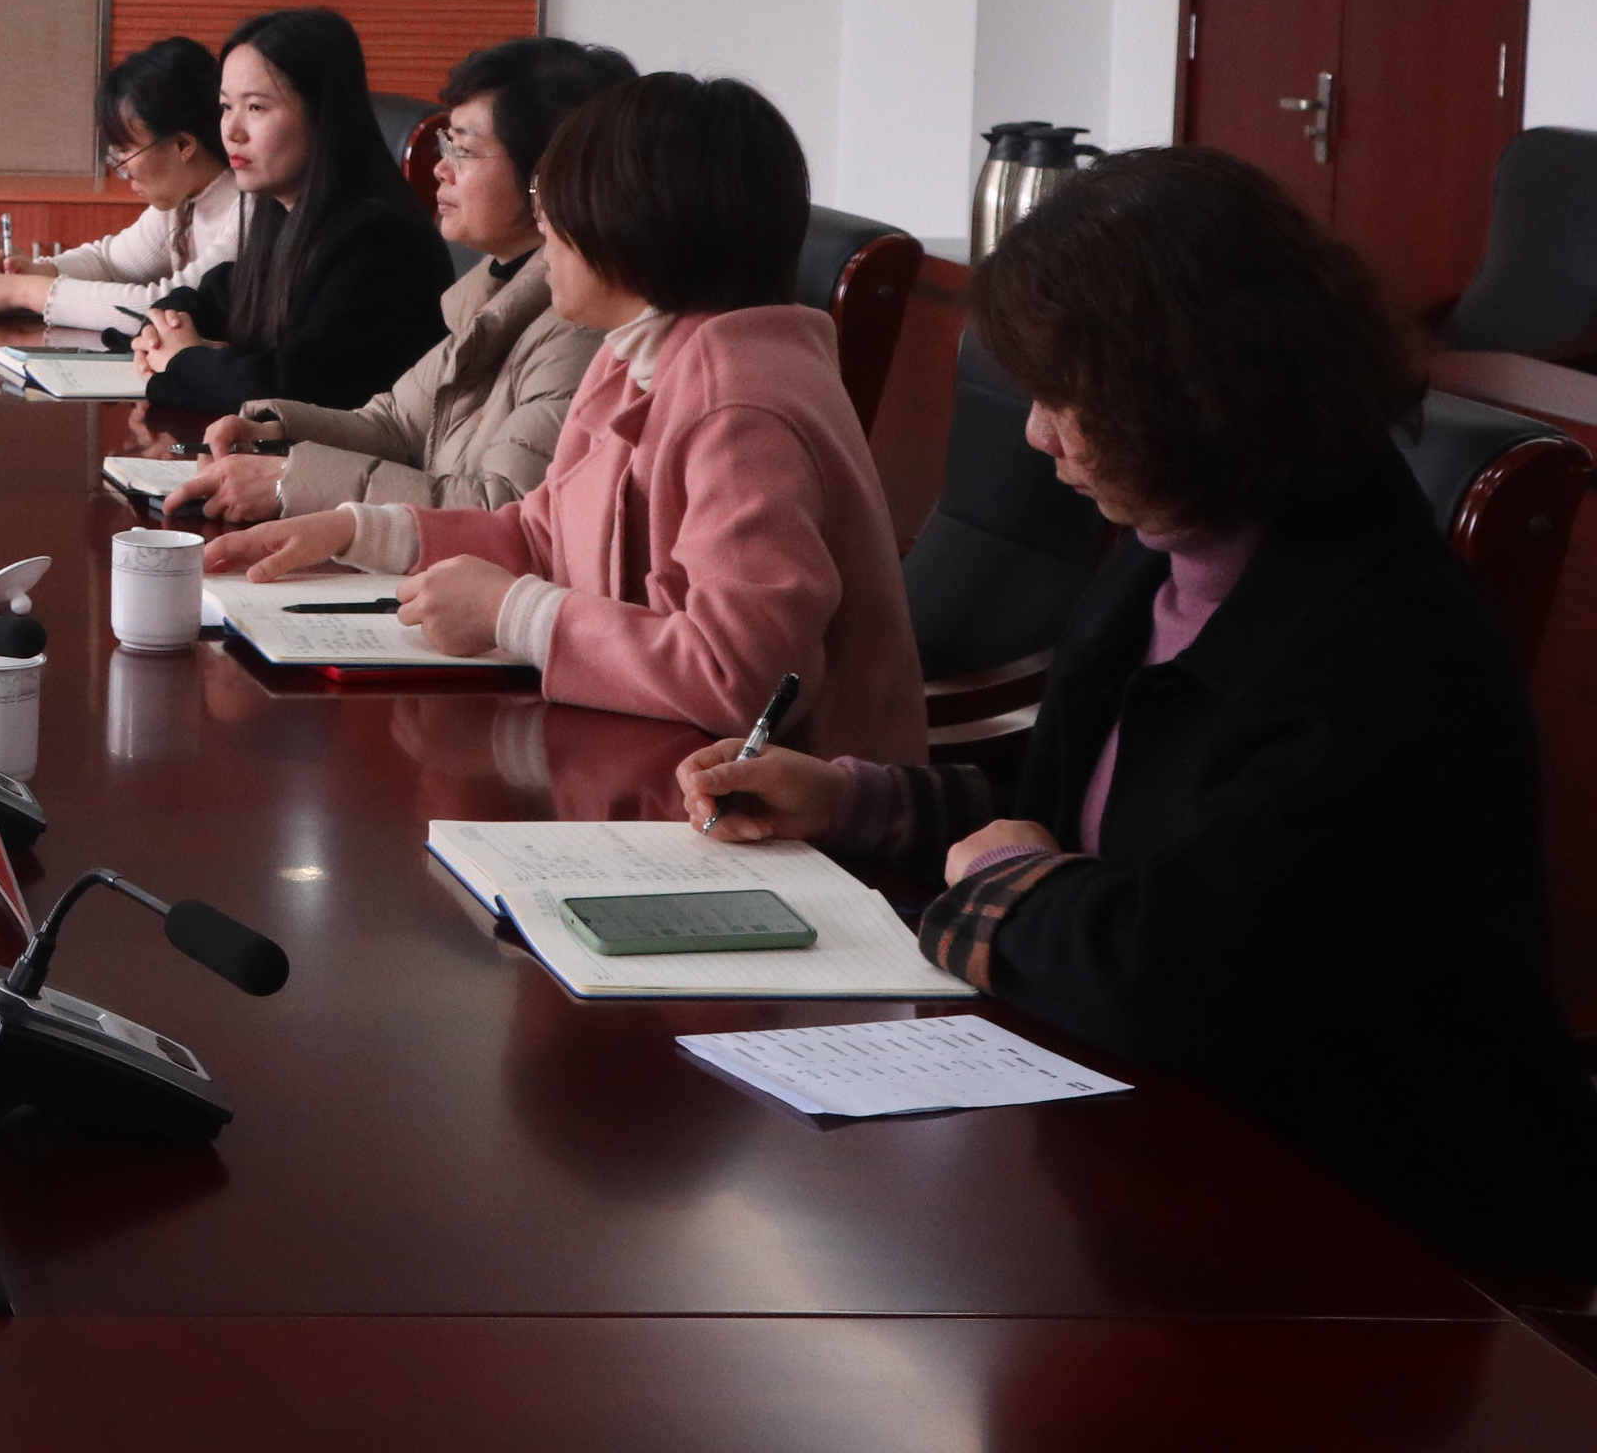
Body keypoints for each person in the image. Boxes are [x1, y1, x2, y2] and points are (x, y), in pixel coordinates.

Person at [681, 146, 1597, 1278]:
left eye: (1063, 400)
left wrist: (1001, 886)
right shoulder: (1174, 557)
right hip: (1165, 1144)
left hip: (1373, 1232)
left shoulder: (1381, 645)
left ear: (1187, 393)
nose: (1036, 435)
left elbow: (1174, 967)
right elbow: (1083, 815)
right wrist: (855, 802)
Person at [207, 73, 925, 760]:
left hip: (774, 810)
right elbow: (543, 534)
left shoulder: (740, 404)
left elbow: (742, 678)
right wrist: (358, 530)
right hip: (657, 755)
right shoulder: (630, 354)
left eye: (557, 202)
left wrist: (515, 615)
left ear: (637, 224)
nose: (542, 224)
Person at [172, 36, 631, 528]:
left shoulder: (580, 326)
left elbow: (502, 512)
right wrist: (271, 432)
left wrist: (289, 482)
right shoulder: (491, 291)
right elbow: (396, 425)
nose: (440, 168)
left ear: (552, 174)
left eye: (464, 150)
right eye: (445, 144)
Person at [138, 9, 451, 415]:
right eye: (225, 106)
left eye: (256, 108)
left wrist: (183, 361)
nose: (231, 131)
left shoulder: (379, 240)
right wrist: (164, 328)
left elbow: (296, 389)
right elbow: (215, 294)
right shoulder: (286, 212)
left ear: (322, 115)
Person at [0, 37, 249, 331]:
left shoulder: (250, 211)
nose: (121, 168)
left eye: (126, 150)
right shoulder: (183, 200)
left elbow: (164, 308)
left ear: (182, 145)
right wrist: (42, 270)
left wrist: (24, 291)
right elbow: (109, 263)